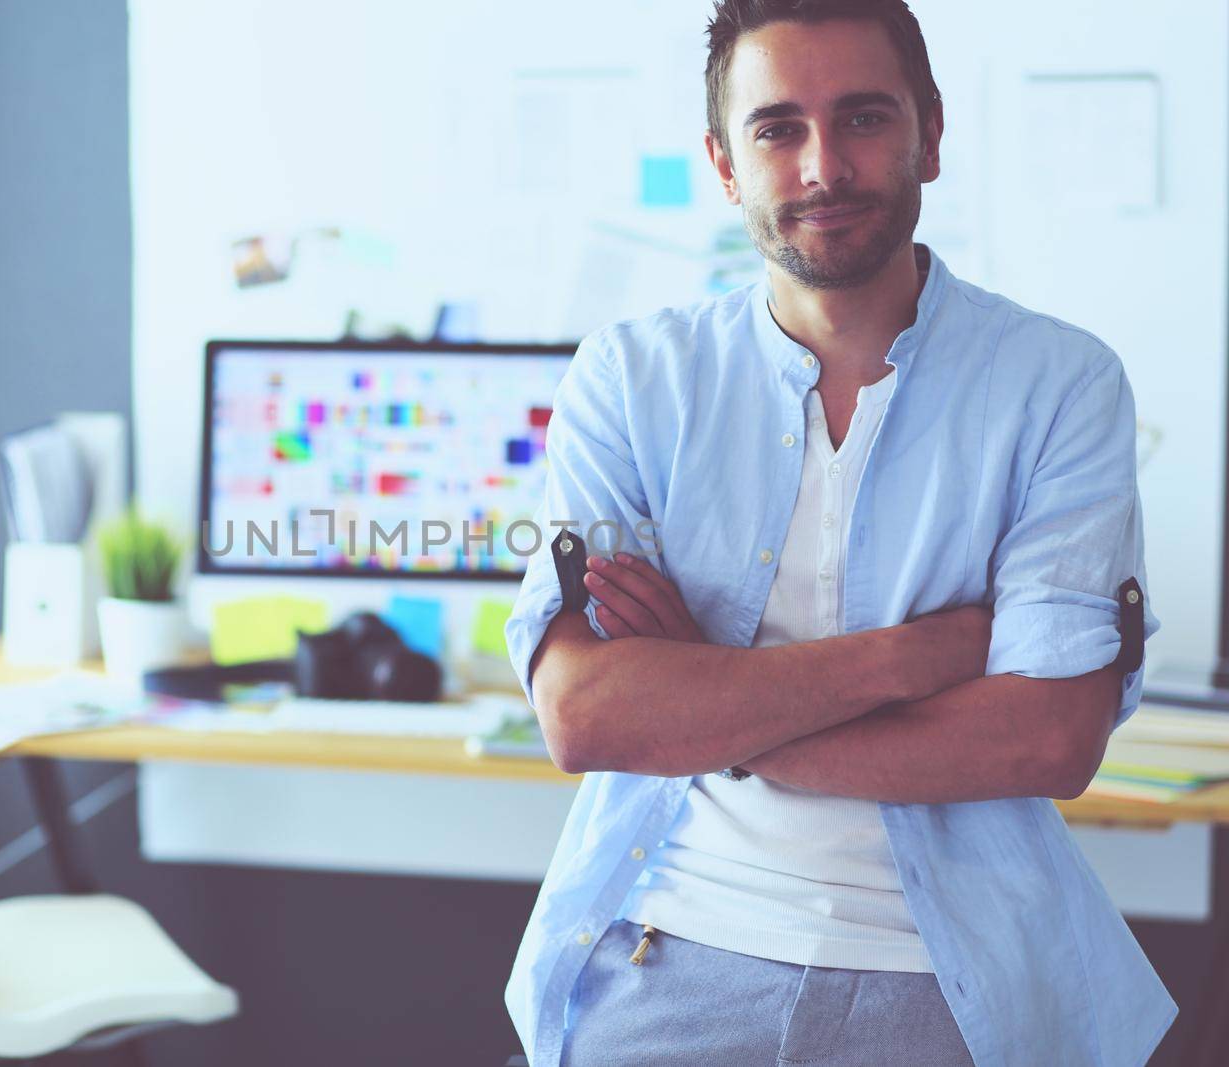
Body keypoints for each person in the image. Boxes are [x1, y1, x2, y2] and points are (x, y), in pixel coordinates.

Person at [501, 1, 1174, 1065]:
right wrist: (914, 656)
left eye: (863, 118)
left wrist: (705, 695)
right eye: (777, 129)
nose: (824, 165)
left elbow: (1047, 740)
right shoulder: (629, 380)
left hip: (953, 985)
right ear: (725, 164)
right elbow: (586, 716)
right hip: (658, 954)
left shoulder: (1058, 384)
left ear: (930, 135)